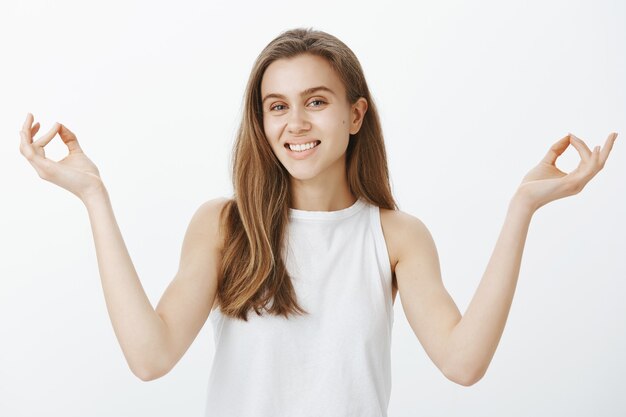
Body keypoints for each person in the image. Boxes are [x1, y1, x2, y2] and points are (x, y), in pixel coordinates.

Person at [18, 27, 618, 417]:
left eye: (317, 101)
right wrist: (95, 198)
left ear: (355, 115)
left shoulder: (395, 234)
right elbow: (150, 357)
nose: (295, 123)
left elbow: (463, 363)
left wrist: (522, 209)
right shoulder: (225, 225)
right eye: (277, 106)